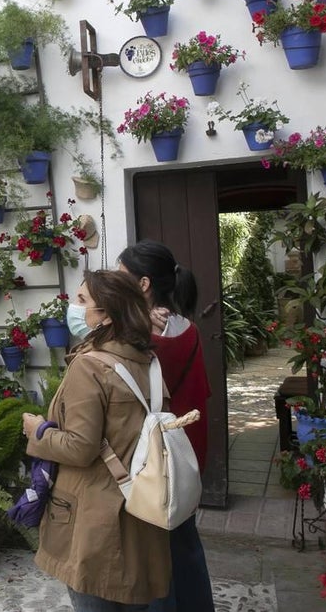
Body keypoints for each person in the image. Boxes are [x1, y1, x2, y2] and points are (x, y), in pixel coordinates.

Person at [22, 269, 171, 611]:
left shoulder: (90, 367)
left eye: (82, 300)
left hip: (95, 517)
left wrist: (37, 432)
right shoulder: (147, 361)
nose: (75, 308)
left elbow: (80, 446)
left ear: (106, 314)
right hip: (141, 508)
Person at [117, 240, 214, 612]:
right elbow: (200, 390)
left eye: (121, 273)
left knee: (155, 552)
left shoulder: (141, 336)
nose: (114, 279)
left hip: (155, 455)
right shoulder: (186, 326)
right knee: (185, 541)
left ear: (142, 284)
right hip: (186, 446)